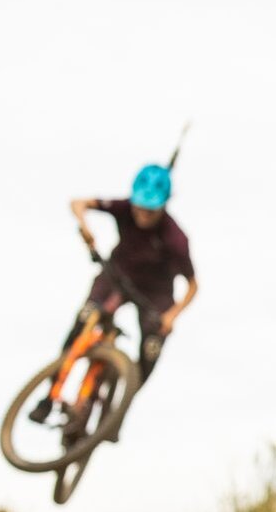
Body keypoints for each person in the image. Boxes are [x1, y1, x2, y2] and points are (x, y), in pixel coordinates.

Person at [29, 162, 198, 427]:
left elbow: (192, 285)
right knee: (84, 322)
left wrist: (171, 316)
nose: (141, 213)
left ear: (163, 206)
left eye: (149, 210)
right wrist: (85, 226)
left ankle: (117, 411)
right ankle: (49, 397)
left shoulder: (175, 238)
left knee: (151, 348)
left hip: (154, 294)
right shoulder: (123, 208)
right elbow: (78, 203)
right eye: (139, 206)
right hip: (117, 276)